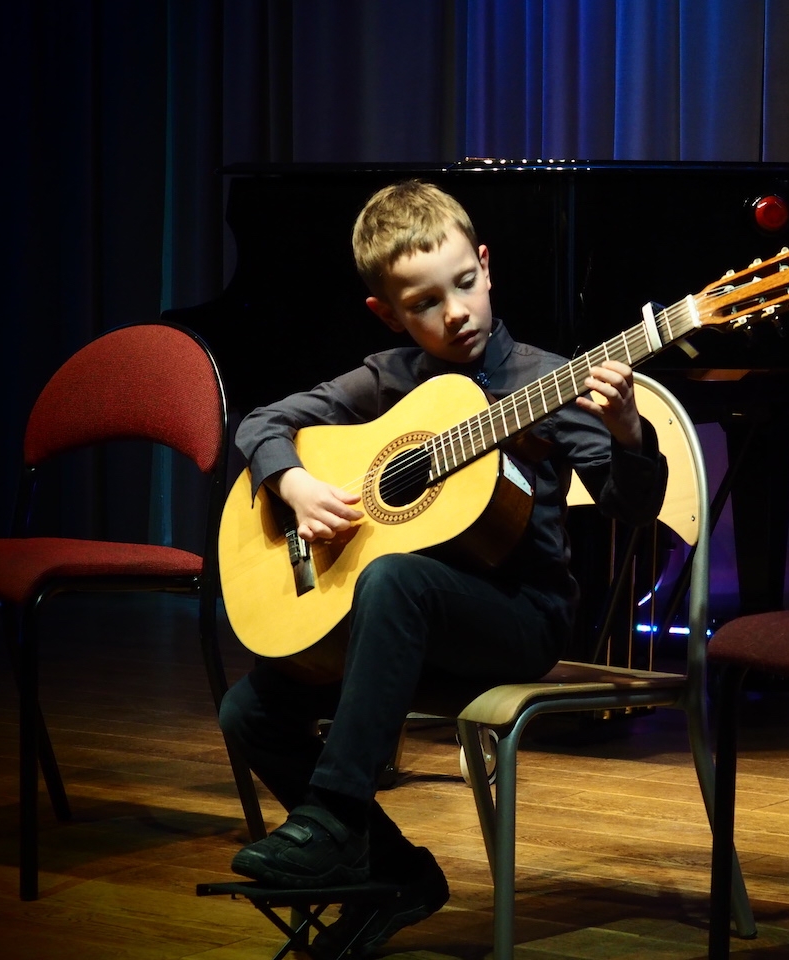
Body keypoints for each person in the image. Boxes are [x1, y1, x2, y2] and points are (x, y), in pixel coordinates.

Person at [219, 179, 667, 956]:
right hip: (412, 632)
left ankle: (334, 819)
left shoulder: (547, 381)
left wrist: (628, 433)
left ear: (485, 266)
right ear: (388, 314)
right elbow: (264, 422)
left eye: (463, 284)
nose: (455, 311)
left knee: (395, 578)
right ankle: (398, 875)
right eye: (425, 303)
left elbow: (633, 508)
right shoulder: (389, 379)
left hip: (519, 619)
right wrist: (292, 483)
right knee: (248, 712)